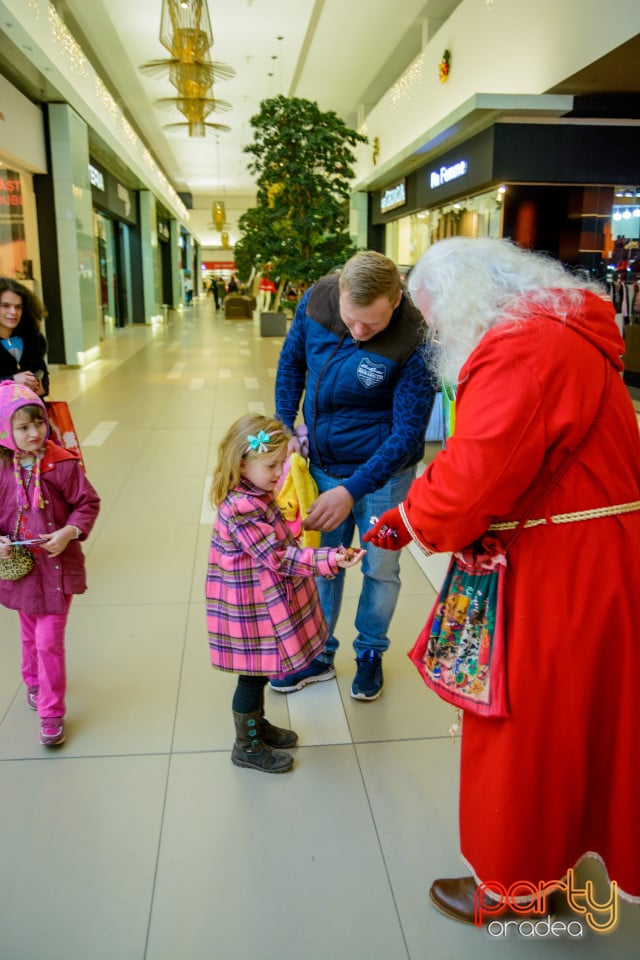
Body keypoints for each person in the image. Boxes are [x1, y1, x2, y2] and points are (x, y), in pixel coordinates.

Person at [364, 237, 640, 922]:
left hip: (559, 573)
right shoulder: (561, 331)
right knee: (588, 722)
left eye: (434, 318)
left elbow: (471, 481)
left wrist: (406, 517)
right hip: (597, 554)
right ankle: (565, 855)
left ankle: (516, 885)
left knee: (523, 730)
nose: (433, 335)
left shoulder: (519, 348)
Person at [270, 250, 434, 701]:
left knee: (381, 568)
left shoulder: (417, 338)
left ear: (396, 299)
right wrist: (285, 428)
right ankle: (319, 653)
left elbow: (406, 435)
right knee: (322, 566)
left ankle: (370, 652)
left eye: (373, 325)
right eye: (352, 320)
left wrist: (352, 489)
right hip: (320, 464)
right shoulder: (317, 301)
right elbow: (291, 366)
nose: (360, 332)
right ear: (339, 292)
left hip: (385, 479)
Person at [206, 413, 363, 774]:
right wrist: (332, 557)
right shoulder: (244, 506)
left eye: (283, 463)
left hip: (259, 600)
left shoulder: (256, 493)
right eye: (272, 465)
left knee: (259, 671)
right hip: (250, 608)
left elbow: (275, 538)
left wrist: (299, 524)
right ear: (242, 463)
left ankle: (257, 727)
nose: (281, 473)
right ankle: (245, 745)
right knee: (251, 675)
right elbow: (278, 556)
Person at [0, 382, 100, 747]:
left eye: (38, 423)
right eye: (22, 427)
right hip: (21, 569)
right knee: (28, 631)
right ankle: (33, 681)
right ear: (5, 431)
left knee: (47, 641)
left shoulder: (61, 463)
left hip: (57, 568)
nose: (34, 433)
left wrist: (70, 532)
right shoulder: (1, 466)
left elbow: (88, 503)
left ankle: (51, 711)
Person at [0, 278, 49, 397]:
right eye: (5, 306)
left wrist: (43, 388)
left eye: (18, 307)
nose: (13, 312)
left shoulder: (32, 339)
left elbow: (43, 372)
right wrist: (12, 381)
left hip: (31, 411)